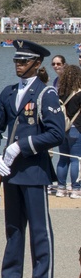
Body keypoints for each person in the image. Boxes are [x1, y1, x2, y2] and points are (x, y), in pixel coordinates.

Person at [0, 40, 64, 278]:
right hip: (10, 170)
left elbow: (55, 133)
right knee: (13, 227)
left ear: (36, 63)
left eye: (23, 61)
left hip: (34, 168)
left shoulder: (45, 94)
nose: (18, 65)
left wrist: (22, 146)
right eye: (16, 60)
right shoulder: (8, 92)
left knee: (39, 228)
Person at [54, 63, 81, 198]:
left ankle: (60, 187)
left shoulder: (60, 92)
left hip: (62, 128)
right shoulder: (79, 93)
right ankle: (76, 189)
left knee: (63, 159)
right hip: (76, 128)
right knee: (76, 160)